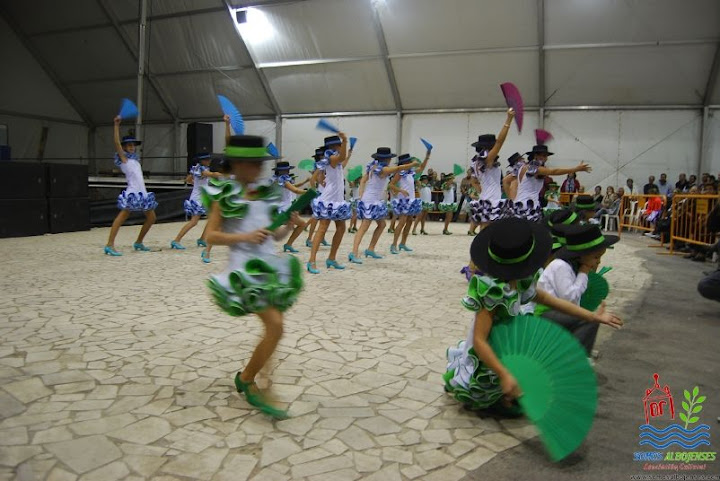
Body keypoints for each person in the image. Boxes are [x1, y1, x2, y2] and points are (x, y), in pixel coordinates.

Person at [443, 218, 623, 413]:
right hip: (490, 352)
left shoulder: (521, 281)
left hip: (508, 344)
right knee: (510, 403)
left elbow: (551, 300)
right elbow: (479, 340)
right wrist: (504, 375)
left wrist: (592, 317)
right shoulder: (492, 291)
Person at [202, 134, 303, 419]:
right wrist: (245, 236)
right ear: (237, 164)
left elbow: (274, 235)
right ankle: (247, 379)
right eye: (253, 163)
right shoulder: (225, 195)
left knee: (274, 327)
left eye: (261, 163)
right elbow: (210, 235)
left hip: (270, 269)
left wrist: (291, 226)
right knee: (275, 327)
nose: (259, 168)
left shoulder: (264, 193)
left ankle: (264, 379)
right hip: (245, 273)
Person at [536, 223, 619, 356]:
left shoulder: (574, 266)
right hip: (545, 313)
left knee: (588, 316)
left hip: (560, 311)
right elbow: (570, 298)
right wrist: (584, 272)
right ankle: (577, 359)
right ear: (580, 255)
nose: (598, 262)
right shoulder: (560, 266)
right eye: (596, 257)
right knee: (588, 321)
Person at [348, 148, 418, 263]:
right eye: (389, 158)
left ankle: (370, 249)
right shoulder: (382, 169)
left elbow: (363, 180)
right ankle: (354, 252)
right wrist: (412, 164)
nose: (390, 160)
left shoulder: (373, 167)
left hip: (374, 199)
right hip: (371, 200)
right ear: (386, 159)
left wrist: (361, 193)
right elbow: (398, 168)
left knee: (382, 225)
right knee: (364, 226)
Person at [104, 116, 158, 256]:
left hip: (142, 193)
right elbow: (116, 142)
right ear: (124, 148)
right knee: (122, 217)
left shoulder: (135, 160)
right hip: (133, 193)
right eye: (129, 146)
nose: (132, 147)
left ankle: (138, 242)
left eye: (133, 145)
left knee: (152, 218)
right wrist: (116, 126)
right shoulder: (124, 159)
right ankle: (109, 244)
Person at [509, 145, 591, 222]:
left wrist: (512, 198)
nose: (546, 158)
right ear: (536, 156)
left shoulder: (523, 167)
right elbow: (553, 171)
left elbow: (506, 181)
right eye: (543, 156)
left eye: (546, 156)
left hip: (519, 204)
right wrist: (575, 169)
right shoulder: (532, 168)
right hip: (529, 205)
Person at [307, 134, 352, 274]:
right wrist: (345, 141)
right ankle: (311, 261)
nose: (341, 147)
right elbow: (342, 158)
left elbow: (321, 175)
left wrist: (322, 180)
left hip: (337, 199)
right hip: (329, 199)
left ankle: (331, 258)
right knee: (322, 228)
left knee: (341, 228)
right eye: (339, 145)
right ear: (335, 146)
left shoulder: (332, 160)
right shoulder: (332, 158)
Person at [468, 109, 515, 231]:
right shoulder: (486, 160)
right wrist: (509, 120)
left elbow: (473, 180)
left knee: (488, 229)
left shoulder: (478, 162)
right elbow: (500, 143)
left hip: (488, 197)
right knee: (487, 229)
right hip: (491, 199)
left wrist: (482, 191)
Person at [170, 153, 222, 254]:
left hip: (202, 196)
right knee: (194, 222)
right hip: (197, 198)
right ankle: (176, 240)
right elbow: (212, 175)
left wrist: (197, 184)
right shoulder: (201, 169)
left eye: (209, 159)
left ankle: (202, 239)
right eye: (206, 160)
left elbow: (188, 179)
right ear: (201, 161)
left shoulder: (197, 168)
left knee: (211, 218)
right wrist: (226, 175)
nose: (209, 161)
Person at [390, 151, 431, 253]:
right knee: (402, 222)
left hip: (411, 200)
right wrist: (400, 190)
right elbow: (391, 184)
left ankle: (403, 243)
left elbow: (421, 168)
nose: (411, 163)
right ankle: (393, 245)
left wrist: (427, 157)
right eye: (409, 162)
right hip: (403, 200)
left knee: (409, 222)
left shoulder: (410, 173)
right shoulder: (400, 173)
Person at [271, 161, 310, 254]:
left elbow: (293, 186)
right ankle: (288, 244)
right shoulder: (283, 180)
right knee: (302, 224)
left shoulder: (276, 179)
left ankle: (288, 244)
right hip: (285, 209)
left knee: (272, 229)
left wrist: (304, 182)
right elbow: (295, 190)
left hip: (278, 208)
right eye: (287, 170)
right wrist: (308, 192)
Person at [304, 148, 328, 249]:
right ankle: (309, 239)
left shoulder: (324, 165)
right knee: (315, 218)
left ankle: (321, 237)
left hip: (326, 193)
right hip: (321, 193)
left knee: (325, 218)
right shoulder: (319, 166)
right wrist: (315, 191)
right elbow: (314, 180)